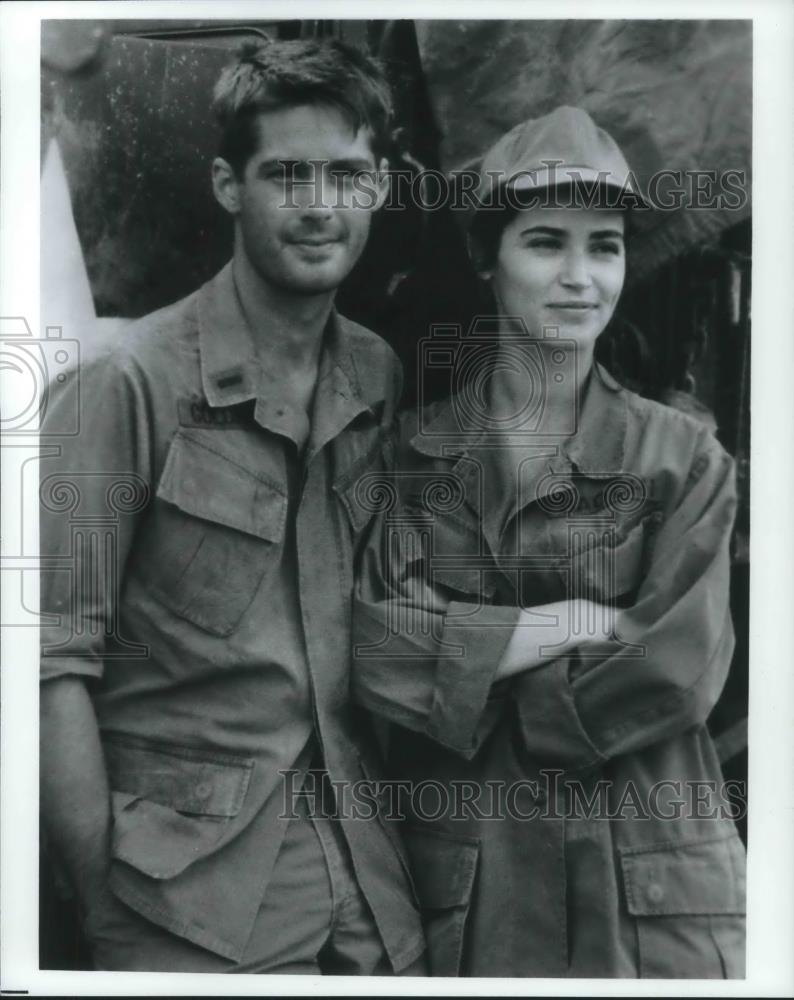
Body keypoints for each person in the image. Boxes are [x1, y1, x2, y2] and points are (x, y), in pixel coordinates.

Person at [38, 39, 425, 974]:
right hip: (179, 904)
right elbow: (48, 667)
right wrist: (103, 907)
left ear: (378, 187)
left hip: (367, 894)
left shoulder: (376, 373)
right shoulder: (124, 388)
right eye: (287, 174)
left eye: (347, 175)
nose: (320, 206)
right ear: (227, 183)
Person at [351, 106, 745, 978]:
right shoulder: (413, 458)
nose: (580, 276)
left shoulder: (683, 459)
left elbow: (676, 666)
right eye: (545, 243)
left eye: (603, 245)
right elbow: (379, 650)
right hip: (476, 886)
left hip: (642, 884)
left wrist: (465, 670)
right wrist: (575, 624)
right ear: (488, 259)